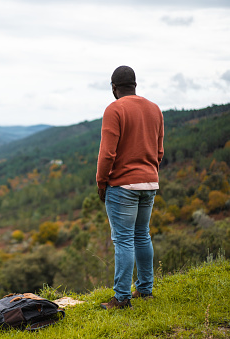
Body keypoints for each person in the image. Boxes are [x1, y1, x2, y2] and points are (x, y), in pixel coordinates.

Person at [96, 65, 164, 310]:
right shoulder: (155, 109)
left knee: (124, 240)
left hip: (122, 184)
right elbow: (159, 152)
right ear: (134, 85)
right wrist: (148, 173)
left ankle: (122, 297)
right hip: (150, 182)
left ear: (114, 88)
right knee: (142, 235)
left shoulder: (115, 109)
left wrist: (101, 182)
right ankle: (145, 290)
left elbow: (107, 154)